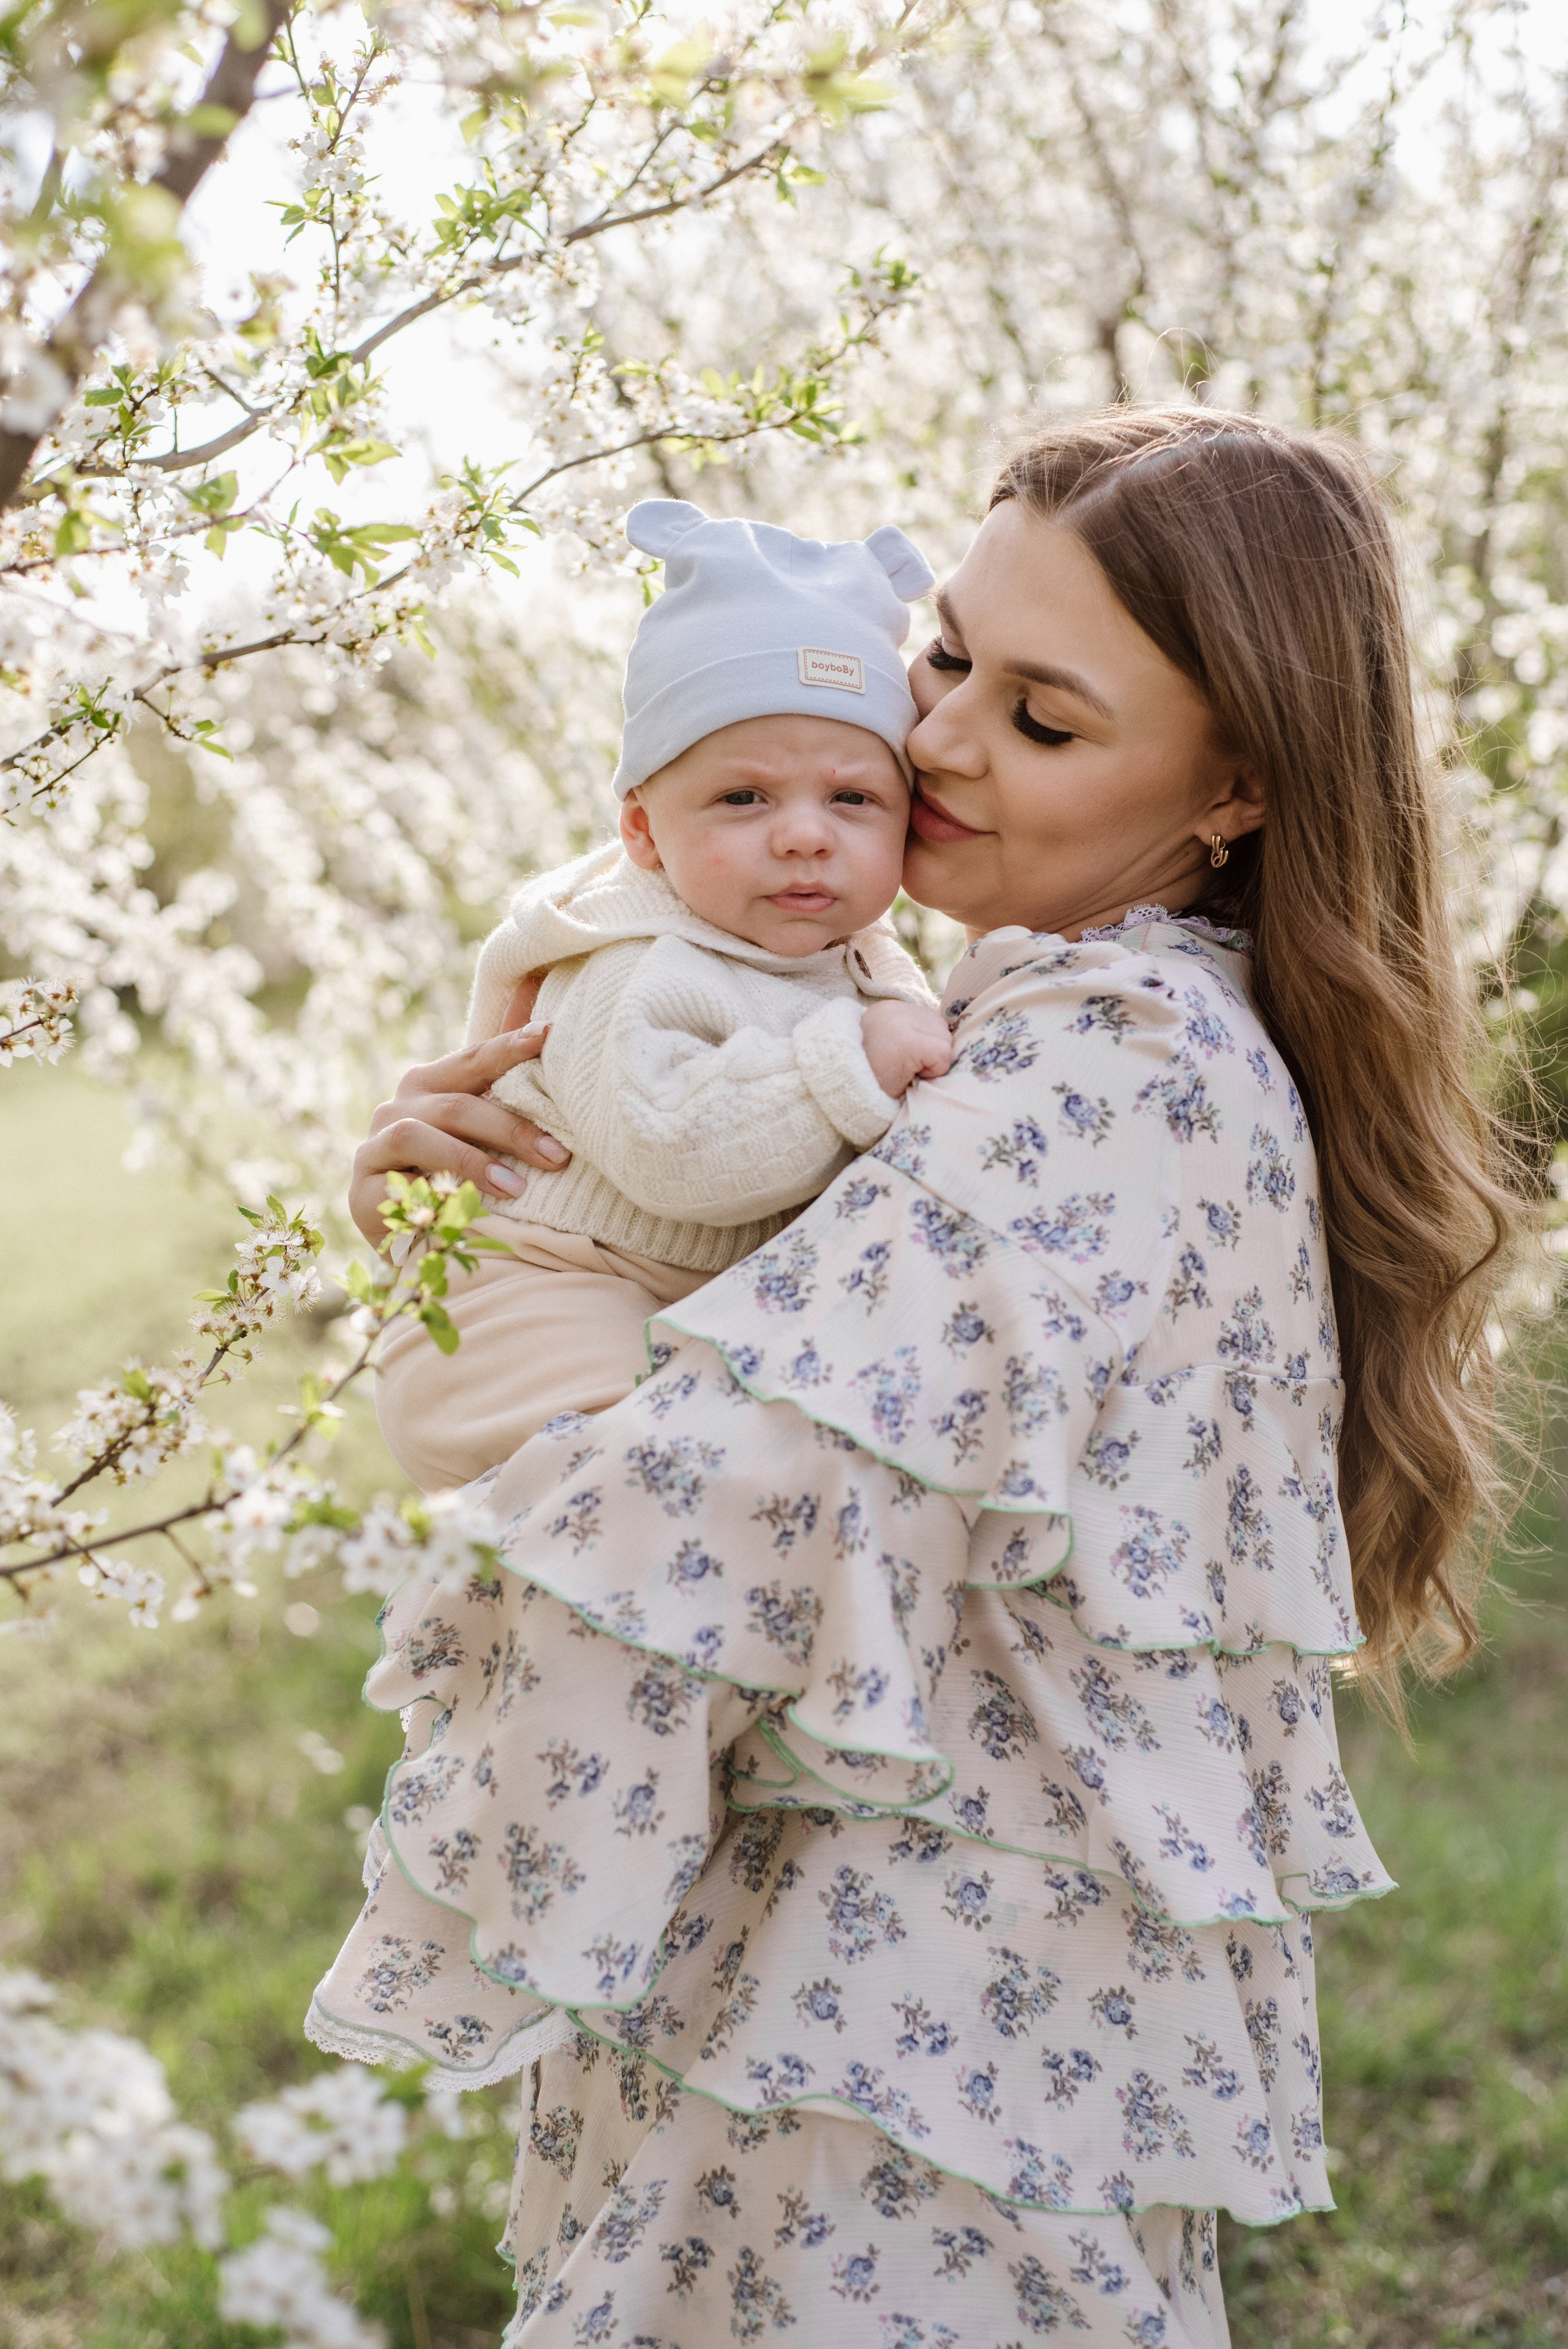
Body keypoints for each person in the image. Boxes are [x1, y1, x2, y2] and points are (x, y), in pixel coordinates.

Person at [312, 409, 1521, 2347]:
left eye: (1046, 722)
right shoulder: (966, 1017)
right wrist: (507, 1193)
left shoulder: (1113, 1064)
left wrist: (495, 1338)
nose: (940, 742)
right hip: (858, 2038)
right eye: (947, 653)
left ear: (1238, 793)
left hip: (909, 2086)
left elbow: (689, 1512)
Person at [374, 497, 949, 1494]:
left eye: (854, 798)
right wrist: (851, 1064)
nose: (806, 835)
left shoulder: (860, 956)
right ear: (644, 834)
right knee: (666, 1483)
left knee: (753, 1481)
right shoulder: (636, 963)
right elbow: (672, 1149)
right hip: (536, 1301)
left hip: (675, 1308)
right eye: (744, 798)